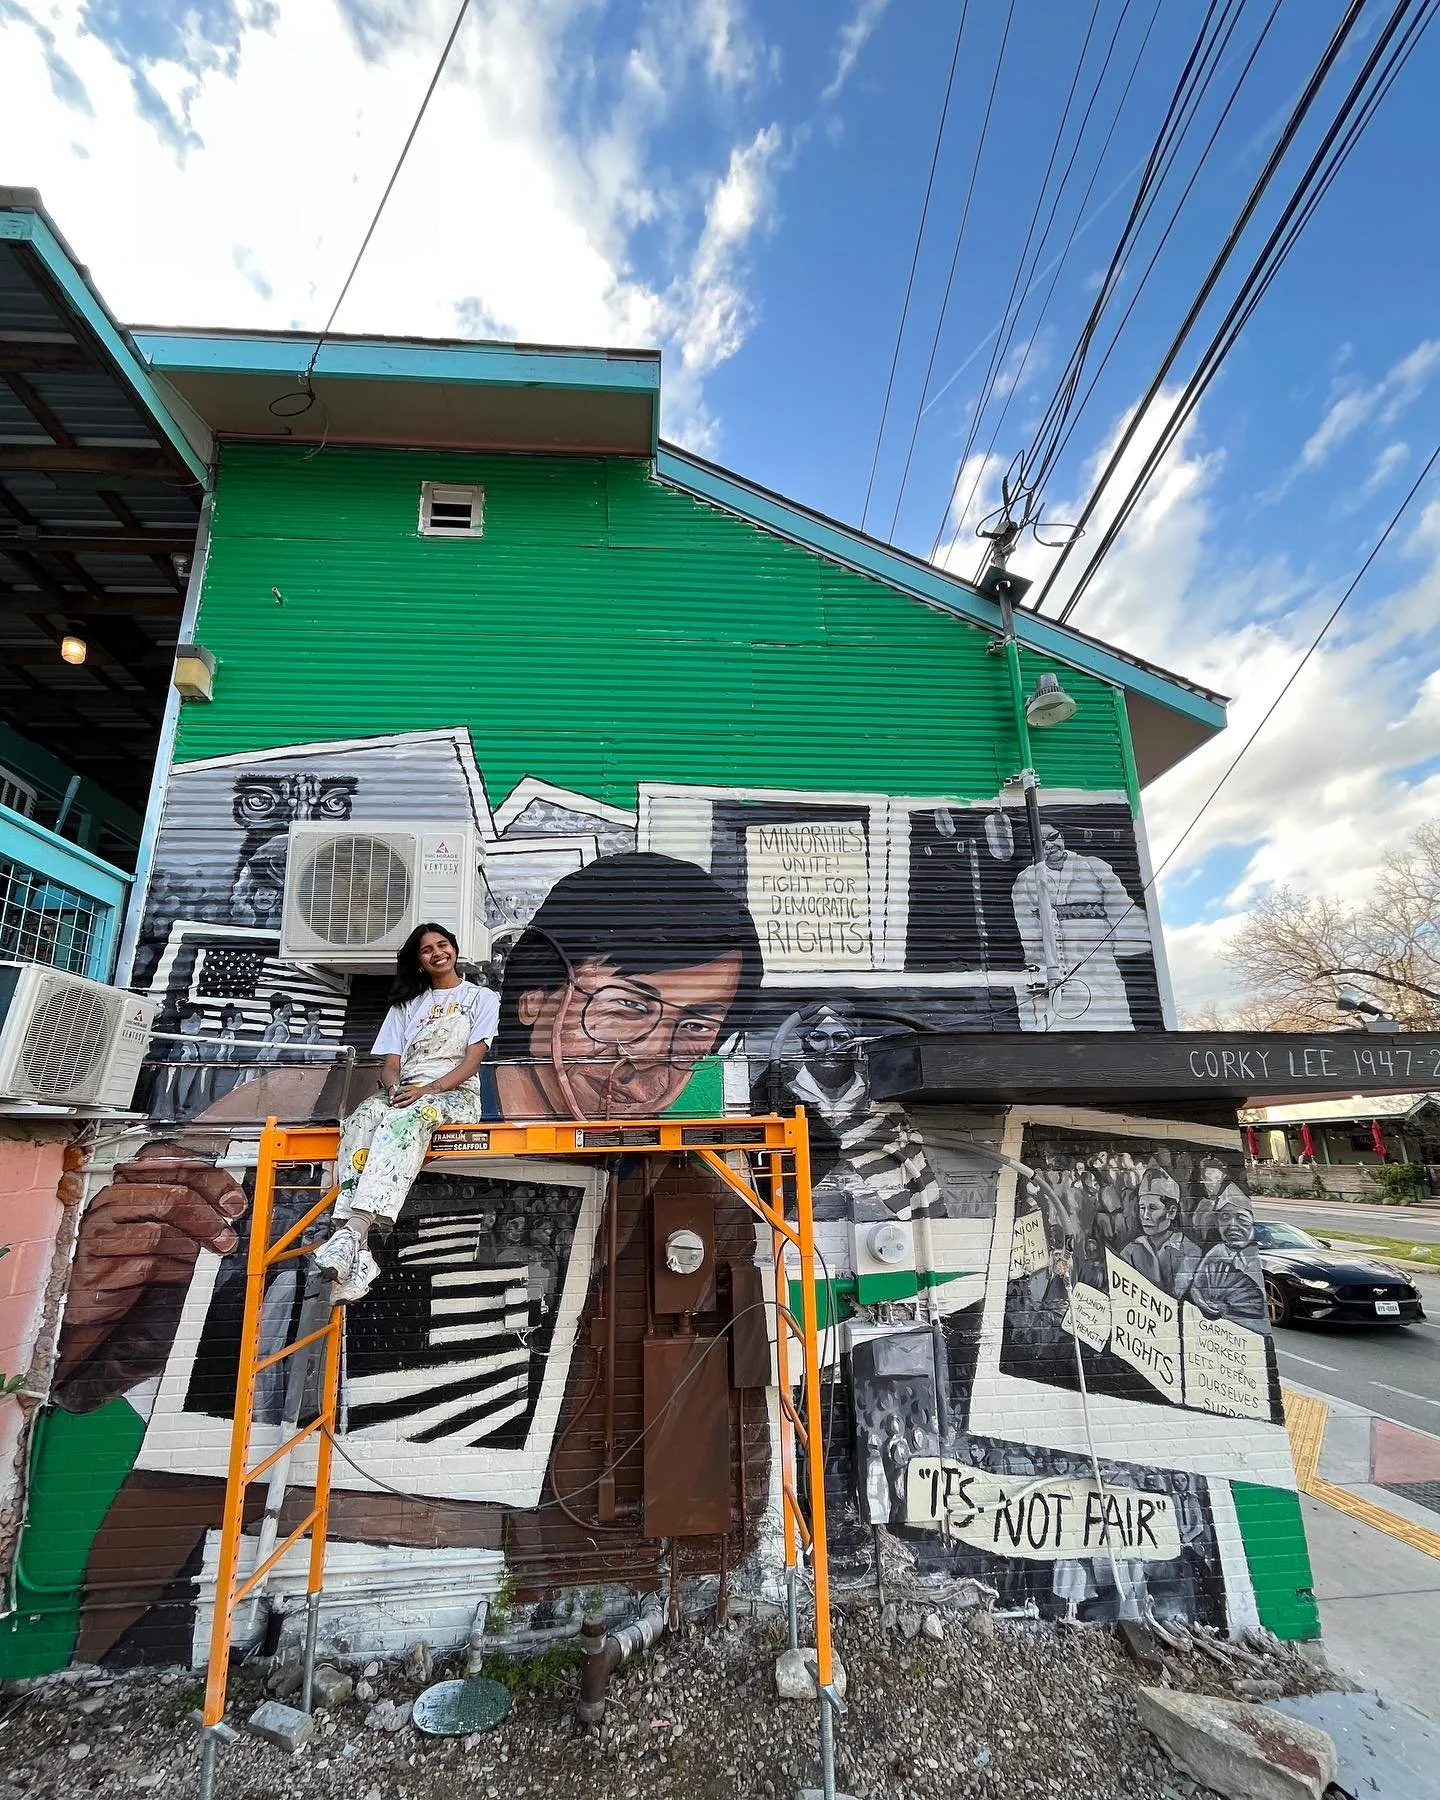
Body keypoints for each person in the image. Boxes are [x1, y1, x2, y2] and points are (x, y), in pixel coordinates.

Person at [489, 851, 762, 1121]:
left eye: (696, 1026)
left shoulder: (664, 1157)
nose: (647, 1055)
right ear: (534, 999)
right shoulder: (461, 1121)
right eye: (630, 1005)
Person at [312, 923, 499, 1302]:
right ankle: (357, 1250)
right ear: (418, 962)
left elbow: (472, 1062)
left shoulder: (481, 998)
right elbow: (390, 1064)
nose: (437, 953)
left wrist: (426, 1091)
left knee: (404, 1120)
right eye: (426, 950)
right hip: (407, 1091)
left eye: (442, 945)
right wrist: (395, 1088)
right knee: (362, 1117)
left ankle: (352, 1231)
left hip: (454, 1095)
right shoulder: (406, 1006)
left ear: (454, 948)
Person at [1011, 824, 1151, 1030]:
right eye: (1042, 842)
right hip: (1056, 988)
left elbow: (1126, 916)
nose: (1050, 845)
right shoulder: (1025, 881)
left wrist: (1097, 943)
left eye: (1053, 837)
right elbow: (1030, 940)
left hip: (1102, 984)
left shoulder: (1094, 868)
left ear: (1062, 837)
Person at [1189, 1193, 1269, 1333]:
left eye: (1241, 1219)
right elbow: (1196, 1286)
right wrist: (1205, 1304)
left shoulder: (1258, 1257)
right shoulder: (1218, 1251)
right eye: (1225, 1218)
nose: (1232, 1226)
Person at [1119, 1173, 1202, 1300]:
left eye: (1153, 1208)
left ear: (1171, 1212)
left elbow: (1173, 1297)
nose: (1145, 1215)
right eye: (1142, 1208)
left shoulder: (1189, 1251)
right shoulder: (1131, 1249)